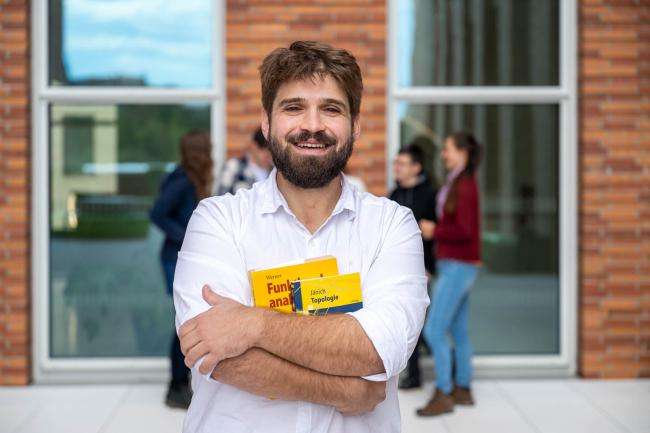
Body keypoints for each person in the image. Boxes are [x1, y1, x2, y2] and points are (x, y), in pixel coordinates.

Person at [173, 41, 429, 433]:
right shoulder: (218, 220)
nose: (312, 125)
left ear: (356, 124)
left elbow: (380, 349)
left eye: (331, 108)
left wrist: (253, 325)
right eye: (293, 107)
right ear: (266, 122)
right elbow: (213, 353)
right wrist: (344, 390)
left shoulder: (393, 226)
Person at [416, 131, 482, 416]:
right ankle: (463, 389)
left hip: (458, 265)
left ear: (462, 152)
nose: (444, 155)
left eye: (448, 149)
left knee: (433, 329)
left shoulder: (465, 186)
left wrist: (434, 231)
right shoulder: (459, 182)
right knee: (457, 330)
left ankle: (444, 392)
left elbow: (465, 230)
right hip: (459, 265)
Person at [150, 130, 214, 409]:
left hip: (180, 257)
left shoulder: (191, 178)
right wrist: (186, 236)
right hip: (173, 258)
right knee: (185, 323)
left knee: (187, 321)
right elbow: (157, 213)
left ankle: (180, 382)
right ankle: (175, 387)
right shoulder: (181, 180)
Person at [389, 142, 438, 389]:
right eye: (395, 163)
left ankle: (418, 375)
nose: (396, 167)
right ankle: (411, 372)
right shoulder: (394, 195)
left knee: (423, 324)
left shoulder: (431, 195)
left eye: (402, 163)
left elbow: (438, 232)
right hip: (398, 270)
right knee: (406, 321)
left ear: (417, 167)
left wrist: (429, 266)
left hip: (426, 270)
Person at [216, 126, 273, 195]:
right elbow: (221, 197)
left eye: (272, 152)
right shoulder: (233, 167)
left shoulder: (276, 172)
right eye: (264, 150)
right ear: (253, 146)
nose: (269, 156)